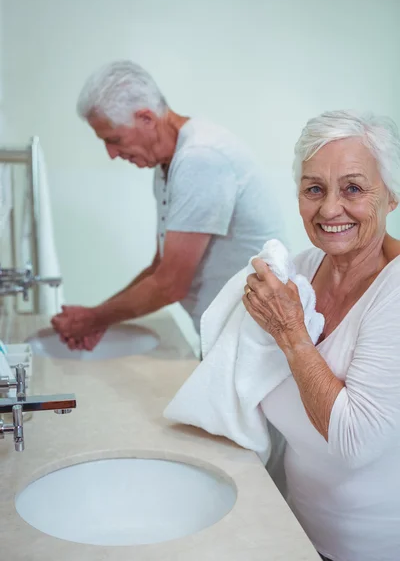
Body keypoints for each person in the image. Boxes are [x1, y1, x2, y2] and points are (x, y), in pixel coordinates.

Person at [243, 110, 400, 561]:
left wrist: (291, 334)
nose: (330, 209)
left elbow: (354, 442)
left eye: (353, 188)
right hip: (297, 534)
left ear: (391, 196)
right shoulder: (300, 271)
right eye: (314, 189)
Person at [51, 60, 284, 351]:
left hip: (254, 343)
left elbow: (170, 284)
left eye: (114, 139)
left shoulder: (201, 158)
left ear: (146, 118)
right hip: (230, 338)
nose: (111, 153)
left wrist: (93, 318)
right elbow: (160, 267)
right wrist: (99, 316)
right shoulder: (168, 164)